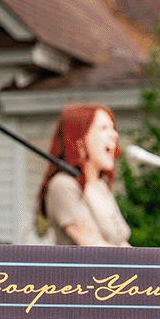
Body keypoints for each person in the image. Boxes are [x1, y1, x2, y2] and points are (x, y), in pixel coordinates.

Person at [37, 104, 131, 246]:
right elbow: (91, 244)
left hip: (115, 268)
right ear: (79, 140)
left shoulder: (101, 186)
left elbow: (121, 244)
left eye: (113, 128)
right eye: (104, 128)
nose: (115, 135)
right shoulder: (63, 184)